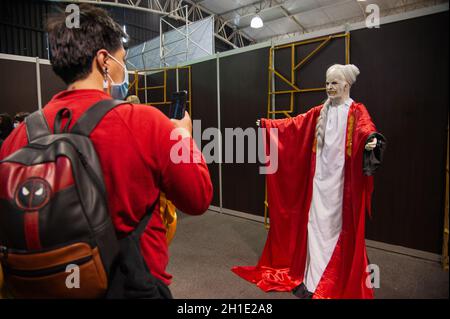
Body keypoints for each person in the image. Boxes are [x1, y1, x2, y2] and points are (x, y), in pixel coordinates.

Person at [0, 4, 212, 297]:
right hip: (131, 285)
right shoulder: (145, 122)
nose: (124, 68)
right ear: (104, 61)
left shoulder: (18, 137)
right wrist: (184, 139)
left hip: (45, 288)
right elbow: (198, 197)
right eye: (122, 59)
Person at [233, 64, 386, 299]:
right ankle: (311, 279)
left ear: (346, 85)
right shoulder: (318, 112)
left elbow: (367, 129)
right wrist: (268, 125)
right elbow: (294, 124)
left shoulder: (356, 111)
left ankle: (332, 279)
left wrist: (370, 140)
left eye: (334, 83)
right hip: (319, 183)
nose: (329, 87)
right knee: (314, 227)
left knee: (335, 230)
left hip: (340, 187)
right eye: (327, 83)